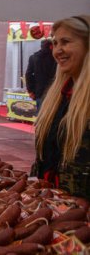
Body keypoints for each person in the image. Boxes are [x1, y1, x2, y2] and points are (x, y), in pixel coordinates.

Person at [33, 15, 89, 200]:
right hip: (54, 207)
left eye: (65, 42)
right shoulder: (57, 96)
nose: (57, 50)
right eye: (55, 43)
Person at [26, 39, 57, 111]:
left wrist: (31, 90)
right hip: (54, 91)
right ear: (51, 46)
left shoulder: (33, 57)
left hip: (39, 92)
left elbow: (28, 75)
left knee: (40, 114)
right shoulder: (55, 57)